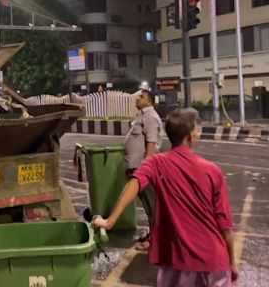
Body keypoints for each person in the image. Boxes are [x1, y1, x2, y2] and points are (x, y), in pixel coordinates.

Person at [94, 109, 237, 287]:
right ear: (191, 135)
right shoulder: (212, 171)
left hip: (175, 262)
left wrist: (109, 222)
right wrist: (232, 262)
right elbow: (224, 225)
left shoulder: (155, 163)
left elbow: (133, 183)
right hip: (213, 262)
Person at [124, 86, 163, 249]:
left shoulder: (150, 117)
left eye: (141, 96)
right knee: (148, 205)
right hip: (138, 168)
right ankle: (152, 235)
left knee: (152, 205)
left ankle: (155, 240)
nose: (137, 98)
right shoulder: (142, 115)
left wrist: (146, 170)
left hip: (143, 169)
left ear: (149, 101)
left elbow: (151, 144)